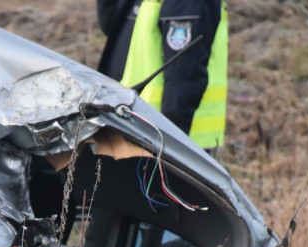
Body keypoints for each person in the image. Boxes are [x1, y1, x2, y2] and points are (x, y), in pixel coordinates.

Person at [97, 0, 227, 149]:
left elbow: (183, 81)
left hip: (161, 140)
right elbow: (112, 25)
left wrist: (169, 151)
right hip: (134, 129)